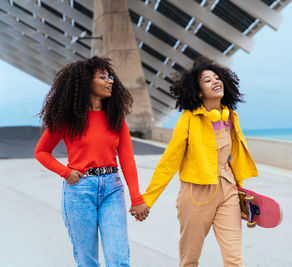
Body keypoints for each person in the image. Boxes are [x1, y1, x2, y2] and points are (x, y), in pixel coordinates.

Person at [142, 57, 258, 267]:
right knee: (190, 259)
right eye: (207, 80)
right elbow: (169, 162)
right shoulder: (188, 119)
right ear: (198, 91)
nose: (215, 81)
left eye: (217, 77)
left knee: (234, 258)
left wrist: (241, 190)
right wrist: (147, 199)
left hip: (228, 190)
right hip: (196, 194)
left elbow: (235, 157)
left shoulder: (229, 117)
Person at [34, 56, 149, 267]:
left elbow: (127, 159)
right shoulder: (67, 118)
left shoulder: (115, 117)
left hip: (112, 190)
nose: (110, 80)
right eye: (103, 76)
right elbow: (41, 151)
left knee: (119, 259)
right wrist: (65, 172)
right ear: (86, 81)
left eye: (110, 76)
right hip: (79, 191)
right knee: (87, 261)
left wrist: (137, 198)